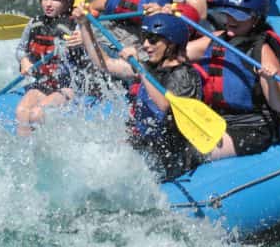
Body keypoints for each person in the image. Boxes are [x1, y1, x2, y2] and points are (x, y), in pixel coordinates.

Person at [77, 11, 202, 180]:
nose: (145, 44)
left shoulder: (184, 74)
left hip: (172, 154)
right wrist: (84, 25)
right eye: (144, 37)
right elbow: (105, 64)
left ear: (171, 44)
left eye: (152, 39)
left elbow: (164, 105)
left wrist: (141, 70)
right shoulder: (151, 68)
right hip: (147, 144)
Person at [186, 0, 280, 159]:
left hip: (253, 127)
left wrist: (271, 81)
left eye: (238, 17)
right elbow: (183, 52)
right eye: (228, 14)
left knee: (194, 154)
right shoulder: (218, 37)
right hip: (218, 120)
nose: (231, 20)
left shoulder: (262, 51)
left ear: (255, 19)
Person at [14, 0, 89, 136]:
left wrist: (84, 39)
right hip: (42, 84)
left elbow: (94, 51)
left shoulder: (77, 26)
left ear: (68, 1)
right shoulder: (34, 24)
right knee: (21, 111)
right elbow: (20, 50)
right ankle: (24, 153)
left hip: (67, 87)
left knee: (36, 114)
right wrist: (25, 61)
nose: (48, 4)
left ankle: (42, 149)